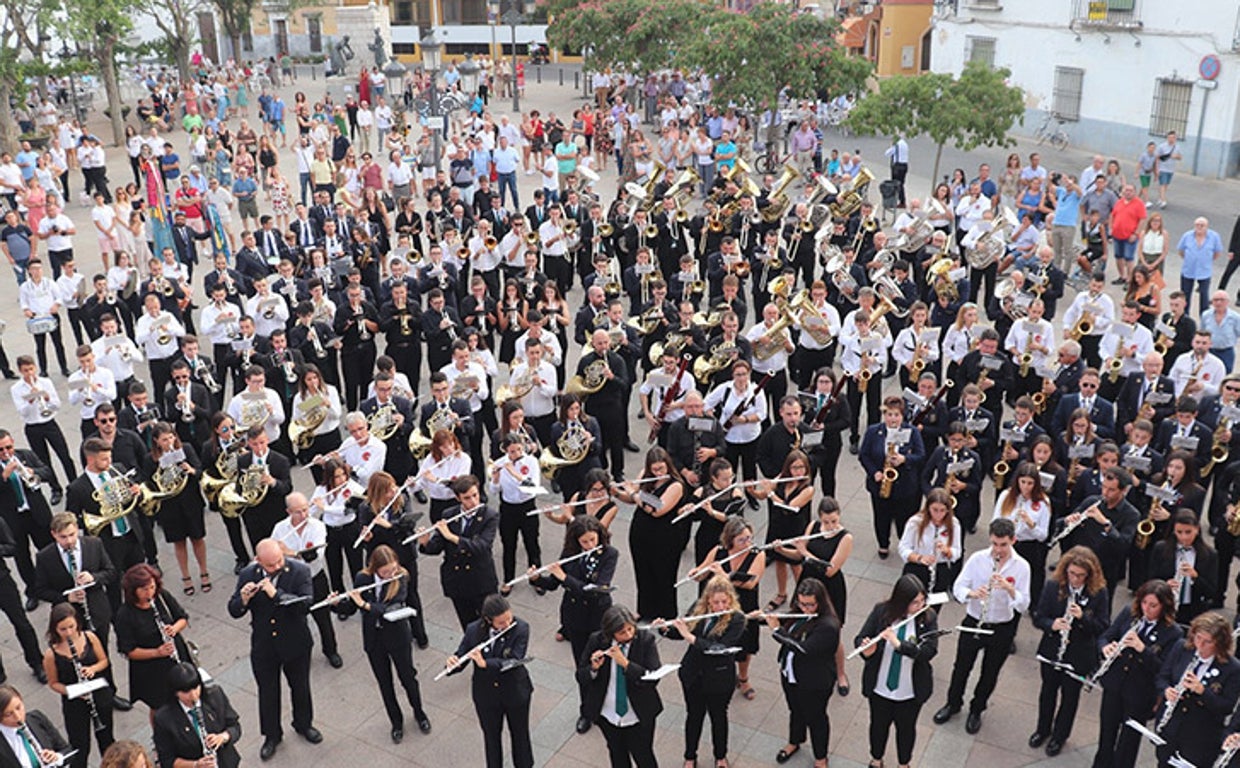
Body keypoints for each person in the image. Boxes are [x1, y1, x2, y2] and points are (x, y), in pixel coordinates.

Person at [933, 517, 1031, 734]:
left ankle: (977, 709)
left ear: (1013, 540)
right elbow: (958, 587)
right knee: (961, 667)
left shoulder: (1022, 567)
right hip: (975, 620)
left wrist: (1009, 589)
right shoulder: (978, 559)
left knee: (990, 672)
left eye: (1003, 544)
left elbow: (1024, 605)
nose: (998, 550)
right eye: (995, 544)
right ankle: (953, 703)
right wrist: (971, 594)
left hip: (1001, 627)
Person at [226, 538, 321, 761]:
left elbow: (306, 604)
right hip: (265, 644)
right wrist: (243, 599)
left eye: (279, 561)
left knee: (300, 686)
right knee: (267, 692)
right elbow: (233, 610)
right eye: (270, 564)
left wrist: (276, 594)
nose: (277, 566)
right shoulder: (248, 574)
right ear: (258, 561)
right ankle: (272, 735)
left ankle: (303, 724)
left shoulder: (299, 570)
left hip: (295, 641)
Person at [528, 515, 618, 734]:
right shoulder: (570, 554)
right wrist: (537, 579)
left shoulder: (609, 554)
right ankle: (586, 711)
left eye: (592, 540)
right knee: (583, 667)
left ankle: (605, 707)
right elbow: (553, 583)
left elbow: (597, 589)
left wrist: (565, 578)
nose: (589, 545)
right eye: (584, 541)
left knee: (603, 663)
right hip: (576, 618)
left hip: (599, 618)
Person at [656, 574, 746, 768]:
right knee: (694, 716)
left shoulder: (737, 619)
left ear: (731, 599)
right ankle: (690, 756)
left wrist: (690, 637)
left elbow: (719, 648)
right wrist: (665, 629)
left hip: (719, 677)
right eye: (715, 603)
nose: (720, 606)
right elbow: (681, 632)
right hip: (693, 674)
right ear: (708, 601)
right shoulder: (698, 608)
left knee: (718, 717)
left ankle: (720, 756)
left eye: (724, 601)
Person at [1090, 579, 1181, 768]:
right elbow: (1106, 636)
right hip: (1115, 685)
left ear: (1164, 606)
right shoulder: (1129, 614)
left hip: (1139, 693)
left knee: (1128, 742)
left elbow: (1164, 669)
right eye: (1144, 603)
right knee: (1107, 734)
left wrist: (1143, 649)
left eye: (1153, 605)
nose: (1147, 609)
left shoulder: (1173, 633)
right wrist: (1106, 647)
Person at [344, 544, 431, 742]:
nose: (390, 573)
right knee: (385, 683)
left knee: (408, 678)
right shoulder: (363, 578)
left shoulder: (401, 577)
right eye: (385, 571)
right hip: (374, 639)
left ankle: (419, 713)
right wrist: (337, 603)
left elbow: (388, 609)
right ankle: (396, 722)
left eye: (393, 568)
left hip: (398, 636)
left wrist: (364, 605)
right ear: (375, 568)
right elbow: (351, 607)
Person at [1030, 546, 1109, 756]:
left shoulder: (1098, 592)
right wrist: (1052, 624)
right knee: (1047, 692)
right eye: (1072, 573)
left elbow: (1102, 626)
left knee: (1070, 697)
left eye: (1081, 576)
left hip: (1079, 654)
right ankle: (1042, 729)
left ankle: (1059, 736)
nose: (1075, 579)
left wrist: (1083, 618)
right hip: (1052, 649)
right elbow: (1039, 617)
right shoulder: (1053, 586)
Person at [854, 574, 940, 768]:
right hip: (880, 687)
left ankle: (904, 763)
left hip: (909, 691)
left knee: (906, 729)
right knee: (878, 726)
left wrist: (900, 645)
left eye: (921, 601)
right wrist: (866, 647)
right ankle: (876, 759)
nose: (919, 606)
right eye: (914, 603)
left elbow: (929, 651)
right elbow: (861, 637)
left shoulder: (927, 618)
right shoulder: (881, 611)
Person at [445, 594, 534, 768]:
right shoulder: (473, 630)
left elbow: (515, 659)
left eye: (509, 618)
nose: (507, 624)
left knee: (520, 734)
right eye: (501, 622)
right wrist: (453, 662)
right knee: (491, 737)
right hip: (486, 695)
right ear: (488, 619)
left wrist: (486, 663)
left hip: (514, 691)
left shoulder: (521, 628)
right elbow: (463, 652)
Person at [577, 604, 663, 768]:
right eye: (622, 632)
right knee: (617, 756)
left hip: (638, 714)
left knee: (644, 756)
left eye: (631, 629)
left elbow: (653, 677)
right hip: (608, 715)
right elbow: (581, 675)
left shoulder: (645, 640)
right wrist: (594, 668)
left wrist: (626, 664)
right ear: (610, 633)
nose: (628, 634)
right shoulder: (597, 640)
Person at [767, 577, 840, 768]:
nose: (805, 609)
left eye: (810, 605)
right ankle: (795, 741)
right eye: (801, 603)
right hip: (791, 674)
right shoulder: (798, 613)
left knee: (816, 718)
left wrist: (777, 631)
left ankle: (821, 758)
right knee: (795, 710)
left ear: (820, 602)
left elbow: (803, 649)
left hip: (814, 681)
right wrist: (763, 618)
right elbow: (785, 625)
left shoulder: (828, 626)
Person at [1152, 611, 1240, 767]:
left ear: (1220, 644)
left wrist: (1203, 692)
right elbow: (1162, 677)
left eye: (1208, 642)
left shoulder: (1232, 668)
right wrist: (1166, 690)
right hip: (1172, 729)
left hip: (1200, 738)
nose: (1200, 645)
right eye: (1198, 638)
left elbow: (1227, 707)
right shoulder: (1182, 648)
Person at [417, 476, 499, 629]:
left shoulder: (489, 515)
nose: (473, 501)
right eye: (467, 498)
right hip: (457, 580)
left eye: (475, 495)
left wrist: (452, 537)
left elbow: (481, 546)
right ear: (458, 498)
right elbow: (437, 546)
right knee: (468, 625)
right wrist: (425, 542)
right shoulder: (449, 514)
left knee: (490, 623)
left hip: (481, 581)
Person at [271, 492, 341, 668]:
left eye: (306, 509)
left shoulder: (317, 526)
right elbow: (273, 554)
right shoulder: (280, 528)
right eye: (298, 512)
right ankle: (300, 653)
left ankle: (331, 650)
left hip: (315, 578)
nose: (304, 515)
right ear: (288, 512)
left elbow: (315, 557)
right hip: (292, 582)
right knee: (296, 620)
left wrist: (290, 553)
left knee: (323, 618)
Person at [113, 564, 189, 724]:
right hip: (151, 669)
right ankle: (160, 737)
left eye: (152, 587)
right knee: (159, 707)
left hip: (175, 656)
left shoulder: (161, 597)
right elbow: (128, 650)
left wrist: (173, 629)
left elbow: (182, 618)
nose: (150, 593)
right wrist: (157, 652)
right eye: (144, 589)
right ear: (133, 591)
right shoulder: (125, 615)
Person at [41, 603, 114, 768]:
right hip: (74, 702)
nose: (68, 633)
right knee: (80, 746)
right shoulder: (51, 654)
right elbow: (53, 683)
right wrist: (72, 690)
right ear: (54, 629)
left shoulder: (89, 637)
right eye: (63, 629)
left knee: (107, 739)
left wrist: (92, 669)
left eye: (71, 627)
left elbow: (104, 661)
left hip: (99, 694)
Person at [152, 662, 241, 768]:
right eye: (186, 691)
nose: (193, 696)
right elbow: (167, 760)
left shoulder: (215, 695)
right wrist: (195, 765)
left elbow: (235, 726)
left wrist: (223, 737)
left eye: (195, 688)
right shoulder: (163, 719)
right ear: (175, 692)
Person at [0, 684, 72, 767]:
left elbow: (67, 750)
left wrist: (57, 757)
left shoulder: (36, 718)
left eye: (18, 707)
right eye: (8, 714)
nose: (18, 717)